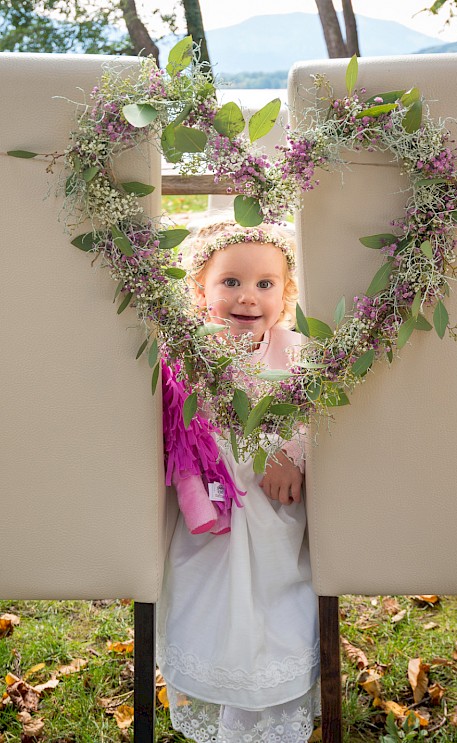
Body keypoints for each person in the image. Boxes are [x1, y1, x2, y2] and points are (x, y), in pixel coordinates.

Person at [156, 217, 320, 743]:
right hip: (213, 497)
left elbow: (310, 415)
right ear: (200, 290)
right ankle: (218, 680)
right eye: (230, 282)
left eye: (264, 284)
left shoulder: (294, 350)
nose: (247, 298)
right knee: (210, 588)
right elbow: (179, 423)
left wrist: (288, 454)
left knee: (277, 591)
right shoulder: (187, 353)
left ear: (285, 293)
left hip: (276, 497)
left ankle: (274, 695)